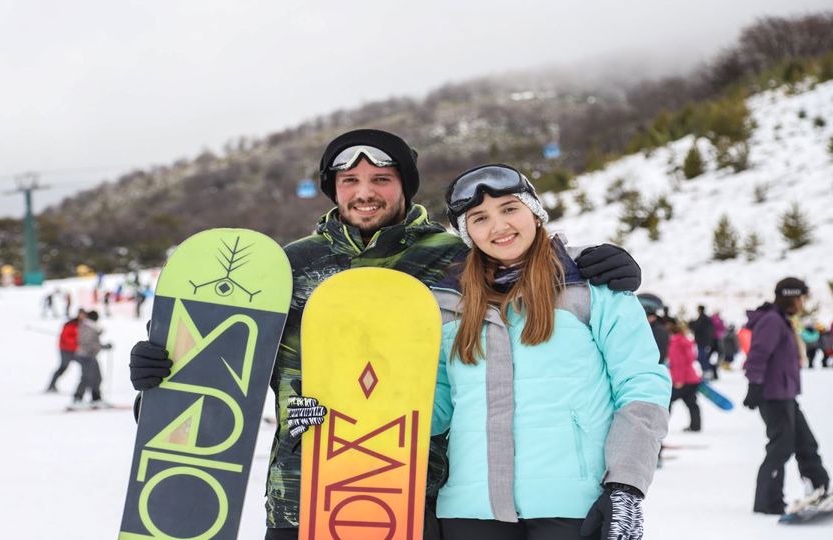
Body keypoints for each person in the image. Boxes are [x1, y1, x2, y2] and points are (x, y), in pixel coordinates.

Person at [128, 130, 645, 540]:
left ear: (405, 186)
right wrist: (165, 378)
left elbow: (524, 266)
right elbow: (225, 381)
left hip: (415, 494)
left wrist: (590, 267)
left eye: (381, 178)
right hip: (301, 489)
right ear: (333, 188)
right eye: (349, 180)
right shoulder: (289, 266)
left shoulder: (456, 259)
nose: (365, 192)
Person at [419, 164, 670, 539]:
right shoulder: (448, 304)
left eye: (509, 209)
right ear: (467, 233)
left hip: (572, 507)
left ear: (534, 213)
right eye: (479, 218)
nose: (499, 226)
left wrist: (626, 485)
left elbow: (641, 387)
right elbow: (431, 412)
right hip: (471, 511)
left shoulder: (593, 287)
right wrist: (342, 406)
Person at [742, 277, 830, 514]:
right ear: (792, 297)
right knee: (781, 446)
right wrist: (755, 385)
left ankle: (820, 489)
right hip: (772, 395)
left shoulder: (781, 320)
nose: (803, 303)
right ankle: (768, 501)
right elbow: (758, 354)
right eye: (802, 298)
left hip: (785, 393)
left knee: (805, 442)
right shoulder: (772, 321)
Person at [70, 310, 111, 409]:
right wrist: (102, 347)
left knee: (97, 377)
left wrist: (102, 346)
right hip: (85, 356)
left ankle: (96, 398)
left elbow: (92, 342)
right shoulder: (87, 327)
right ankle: (77, 398)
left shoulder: (90, 327)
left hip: (90, 356)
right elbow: (86, 343)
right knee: (86, 378)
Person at [667, 318, 702, 432]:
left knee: (667, 401)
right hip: (691, 378)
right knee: (691, 403)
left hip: (684, 380)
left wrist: (678, 380)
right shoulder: (685, 341)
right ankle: (696, 426)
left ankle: (659, 426)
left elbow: (679, 364)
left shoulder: (676, 344)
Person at [47, 309, 85, 393]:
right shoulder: (70, 324)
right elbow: (66, 337)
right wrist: (77, 341)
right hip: (66, 350)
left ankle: (86, 386)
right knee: (63, 367)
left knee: (86, 367)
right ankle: (51, 385)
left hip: (77, 351)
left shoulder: (83, 324)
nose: (83, 316)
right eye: (81, 314)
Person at [689, 305, 717, 380]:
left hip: (703, 341)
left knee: (702, 357)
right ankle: (708, 372)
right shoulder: (704, 318)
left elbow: (697, 327)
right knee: (702, 357)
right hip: (703, 341)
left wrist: (691, 323)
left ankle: (708, 372)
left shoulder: (703, 318)